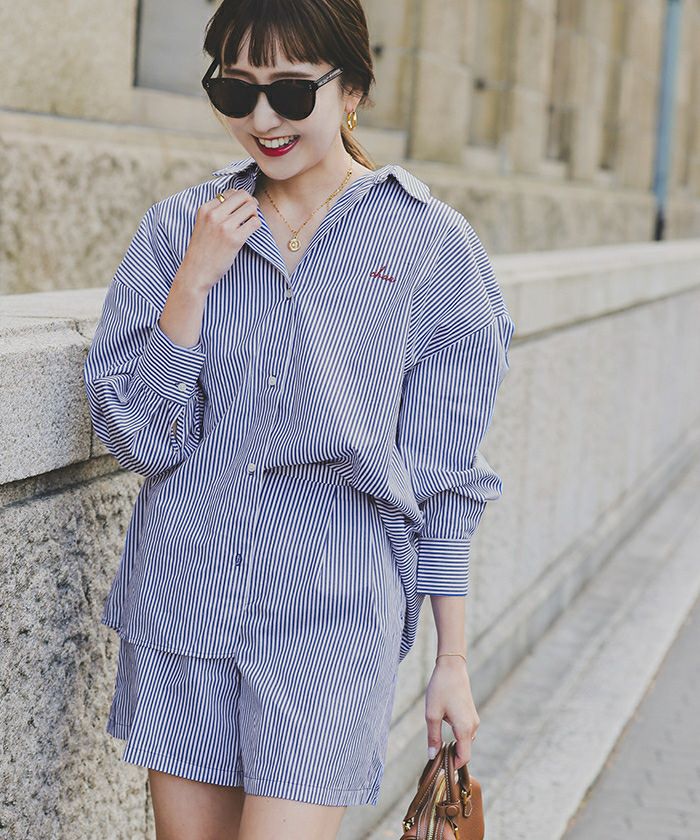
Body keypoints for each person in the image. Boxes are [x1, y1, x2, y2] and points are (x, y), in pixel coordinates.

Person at [82, 1, 515, 838]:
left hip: (332, 623)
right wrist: (191, 286)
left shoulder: (432, 246)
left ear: (352, 89)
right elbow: (140, 436)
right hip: (185, 606)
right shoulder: (180, 229)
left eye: (288, 91)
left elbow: (446, 479)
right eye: (234, 92)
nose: (262, 120)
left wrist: (451, 661)